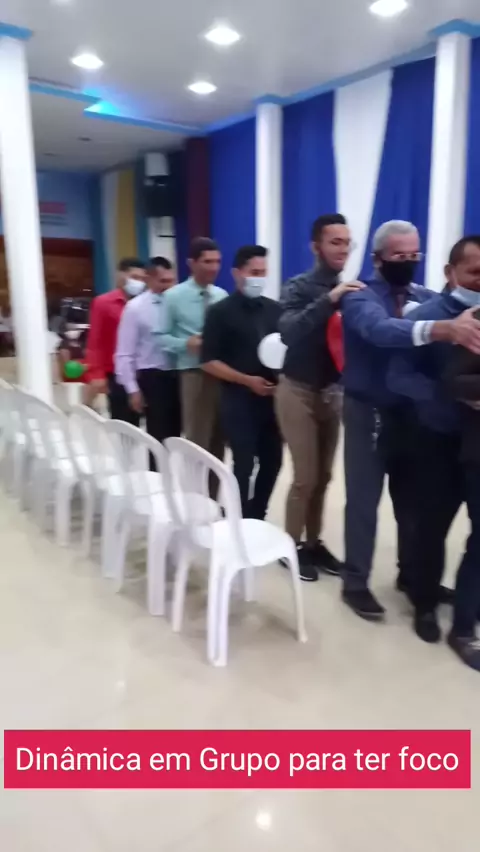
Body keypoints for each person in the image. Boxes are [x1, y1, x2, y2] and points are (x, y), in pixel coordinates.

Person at [341, 221, 480, 622]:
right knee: (365, 500)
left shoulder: (424, 297)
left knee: (414, 503)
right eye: (399, 256)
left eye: (413, 255)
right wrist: (441, 330)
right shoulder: (360, 296)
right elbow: (380, 330)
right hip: (369, 410)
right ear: (378, 258)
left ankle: (413, 576)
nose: (407, 261)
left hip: (411, 416)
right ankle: (355, 582)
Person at [387, 236, 480, 668]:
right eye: (475, 272)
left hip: (476, 445)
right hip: (435, 440)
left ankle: (464, 609)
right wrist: (448, 396)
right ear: (450, 272)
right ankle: (424, 603)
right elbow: (397, 376)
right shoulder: (424, 317)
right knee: (431, 529)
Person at [277, 214, 363, 582]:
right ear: (316, 247)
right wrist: (329, 299)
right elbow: (288, 331)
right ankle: (290, 546)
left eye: (347, 242)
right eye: (335, 242)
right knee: (305, 478)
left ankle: (313, 543)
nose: (343, 249)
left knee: (325, 477)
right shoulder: (297, 287)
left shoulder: (353, 291)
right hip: (297, 390)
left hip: (332, 392)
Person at [202, 245, 282, 519]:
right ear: (237, 273)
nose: (259, 278)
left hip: (271, 400)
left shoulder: (275, 310)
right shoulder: (219, 312)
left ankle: (257, 513)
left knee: (273, 461)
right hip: (238, 400)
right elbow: (209, 361)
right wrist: (247, 380)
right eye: (254, 272)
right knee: (244, 462)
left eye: (263, 272)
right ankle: (236, 517)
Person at [156, 237, 226, 458]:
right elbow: (160, 337)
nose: (214, 267)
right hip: (193, 373)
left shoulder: (221, 295)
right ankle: (193, 480)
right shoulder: (173, 297)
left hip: (222, 373)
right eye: (207, 262)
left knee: (219, 437)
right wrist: (185, 344)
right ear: (192, 263)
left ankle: (215, 481)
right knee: (198, 438)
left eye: (217, 261)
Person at [115, 256, 181, 443]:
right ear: (148, 279)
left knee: (179, 437)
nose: (168, 286)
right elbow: (124, 352)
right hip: (153, 378)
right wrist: (132, 389)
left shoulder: (180, 303)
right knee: (158, 436)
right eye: (163, 281)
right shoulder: (135, 308)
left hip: (180, 374)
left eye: (171, 281)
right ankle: (156, 464)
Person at [85, 258, 147, 420]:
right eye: (135, 277)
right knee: (124, 420)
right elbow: (95, 341)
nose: (139, 282)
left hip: (144, 370)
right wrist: (97, 374)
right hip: (116, 371)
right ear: (121, 276)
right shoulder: (103, 303)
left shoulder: (146, 303)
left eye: (142, 279)